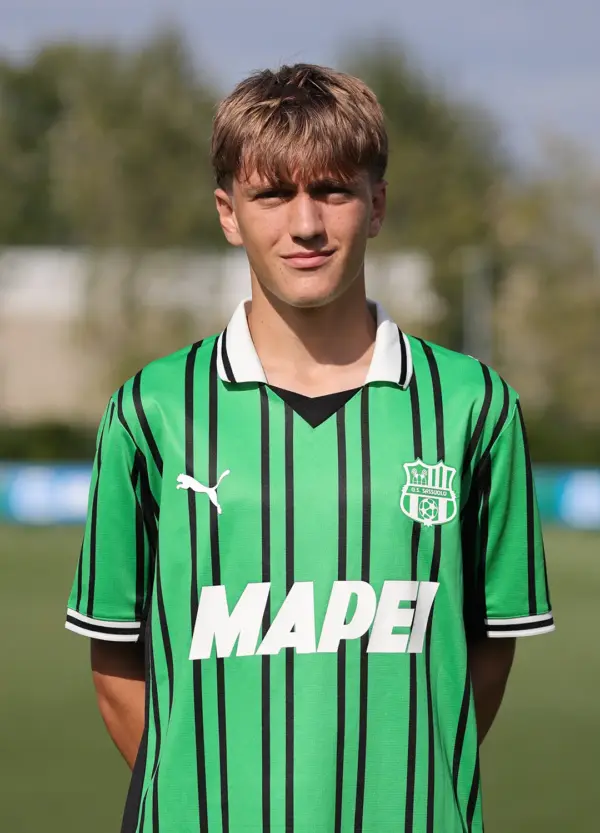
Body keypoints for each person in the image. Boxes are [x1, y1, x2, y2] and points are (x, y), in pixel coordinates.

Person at [65, 63, 555, 833]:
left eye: (331, 191)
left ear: (376, 204)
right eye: (272, 194)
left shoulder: (473, 406)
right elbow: (116, 666)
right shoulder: (150, 411)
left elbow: (484, 657)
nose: (305, 225)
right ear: (229, 213)